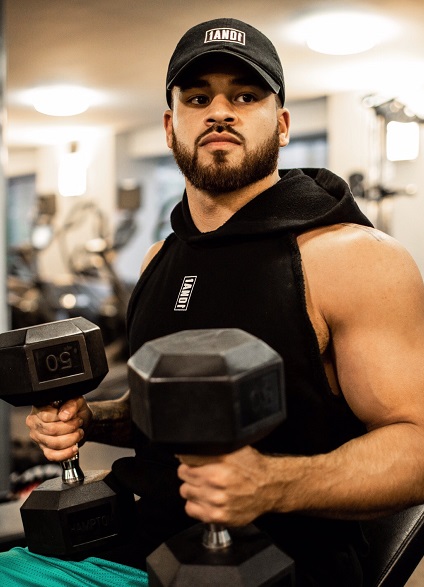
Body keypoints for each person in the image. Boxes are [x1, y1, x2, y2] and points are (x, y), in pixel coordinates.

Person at [2, 16, 424, 587]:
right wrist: (91, 418)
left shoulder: (354, 257)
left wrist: (273, 485)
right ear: (170, 126)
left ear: (281, 125)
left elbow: (418, 444)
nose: (220, 112)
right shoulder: (160, 257)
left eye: (245, 96)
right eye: (199, 98)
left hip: (271, 569)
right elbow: (169, 410)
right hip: (132, 547)